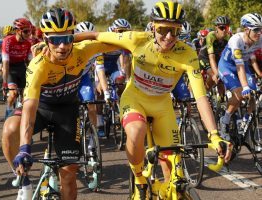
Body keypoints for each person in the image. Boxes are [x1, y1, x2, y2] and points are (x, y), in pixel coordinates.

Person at [75, 1, 232, 199]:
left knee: (174, 175)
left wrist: (214, 134)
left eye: (175, 31)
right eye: (163, 29)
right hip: (135, 99)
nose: (169, 37)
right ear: (153, 26)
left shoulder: (187, 53)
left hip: (162, 106)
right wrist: (56, 40)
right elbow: (95, 35)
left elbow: (201, 97)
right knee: (137, 130)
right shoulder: (138, 39)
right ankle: (139, 177)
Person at [1, 8, 119, 200]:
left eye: (67, 38)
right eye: (55, 40)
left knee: (69, 175)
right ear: (46, 39)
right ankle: (22, 179)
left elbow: (116, 40)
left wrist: (96, 34)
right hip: (40, 108)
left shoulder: (82, 51)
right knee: (9, 129)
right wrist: (24, 149)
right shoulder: (38, 65)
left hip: (67, 112)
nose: (62, 46)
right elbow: (29, 108)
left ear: (74, 36)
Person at [218, 13, 262, 142]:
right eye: (256, 29)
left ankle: (245, 120)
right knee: (239, 94)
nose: (259, 33)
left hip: (244, 65)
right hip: (227, 66)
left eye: (261, 29)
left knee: (253, 94)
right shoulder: (236, 40)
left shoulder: (259, 39)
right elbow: (239, 67)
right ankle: (224, 121)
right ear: (246, 29)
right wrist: (245, 87)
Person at [2, 18, 33, 118]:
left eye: (30, 31)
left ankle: (21, 113)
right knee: (13, 94)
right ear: (18, 31)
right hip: (10, 68)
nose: (29, 34)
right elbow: (5, 63)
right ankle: (8, 110)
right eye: (26, 31)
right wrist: (4, 83)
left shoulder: (28, 43)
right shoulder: (8, 41)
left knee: (26, 96)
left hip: (21, 67)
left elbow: (29, 63)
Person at [198, 16, 231, 92]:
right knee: (214, 75)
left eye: (226, 28)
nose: (224, 30)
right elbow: (211, 58)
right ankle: (205, 93)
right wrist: (216, 73)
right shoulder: (211, 36)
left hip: (217, 57)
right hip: (205, 57)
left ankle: (222, 100)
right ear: (216, 27)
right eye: (221, 28)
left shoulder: (227, 37)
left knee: (221, 80)